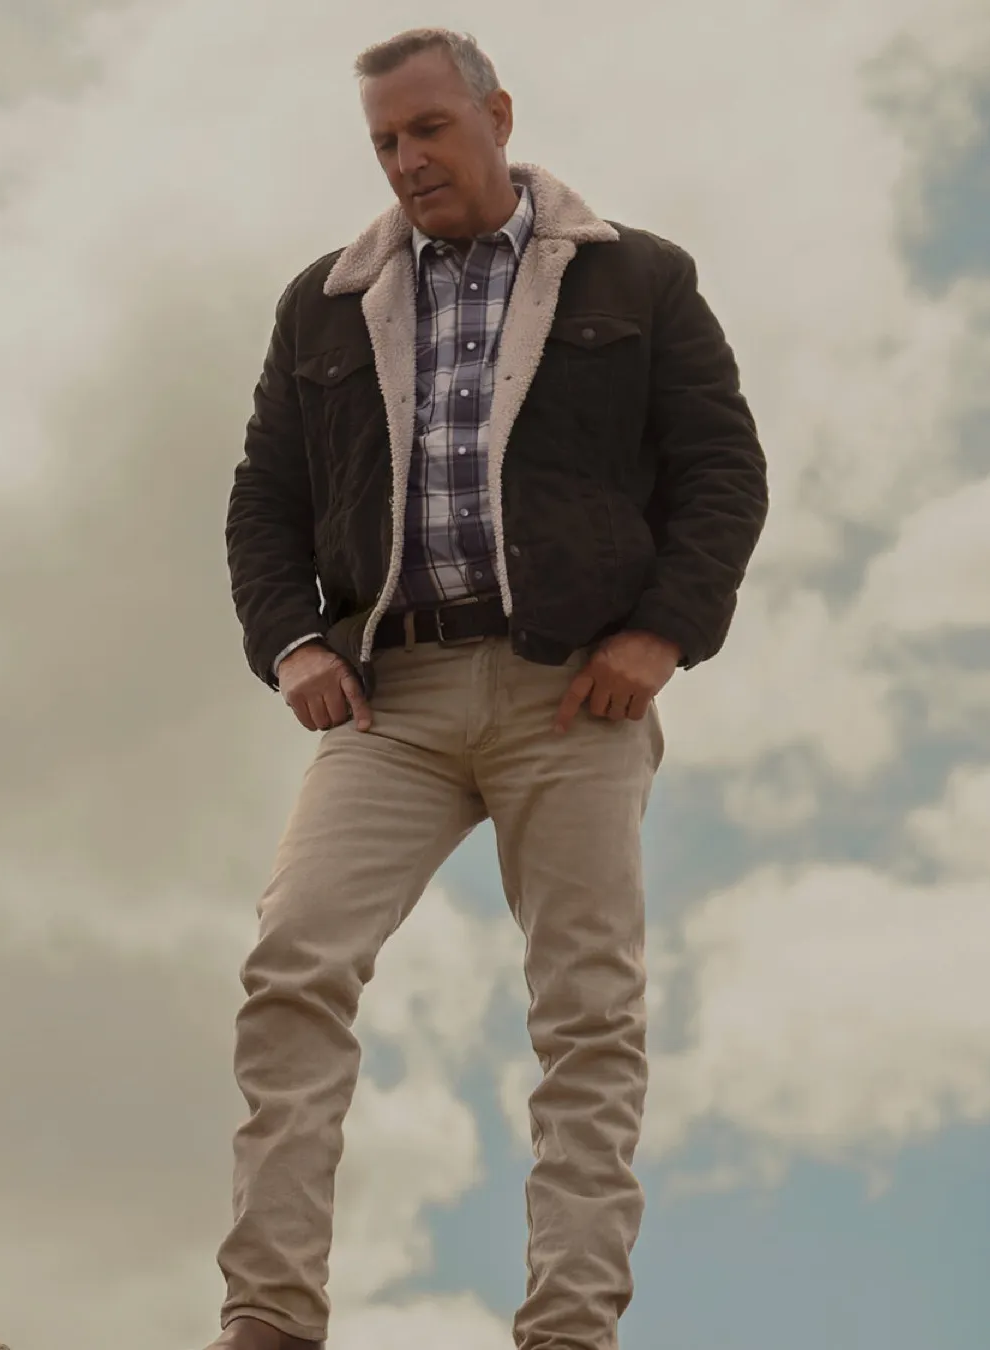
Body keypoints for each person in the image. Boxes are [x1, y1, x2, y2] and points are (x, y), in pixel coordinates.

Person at [212, 27, 768, 1350]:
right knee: (292, 962)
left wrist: (662, 634)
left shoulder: (638, 275)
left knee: (587, 1012)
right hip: (389, 700)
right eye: (384, 143)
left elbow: (722, 472)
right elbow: (264, 500)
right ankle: (269, 1317)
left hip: (573, 694)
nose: (407, 161)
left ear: (497, 117)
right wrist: (294, 644)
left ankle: (568, 1328)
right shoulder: (324, 302)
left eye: (428, 130)